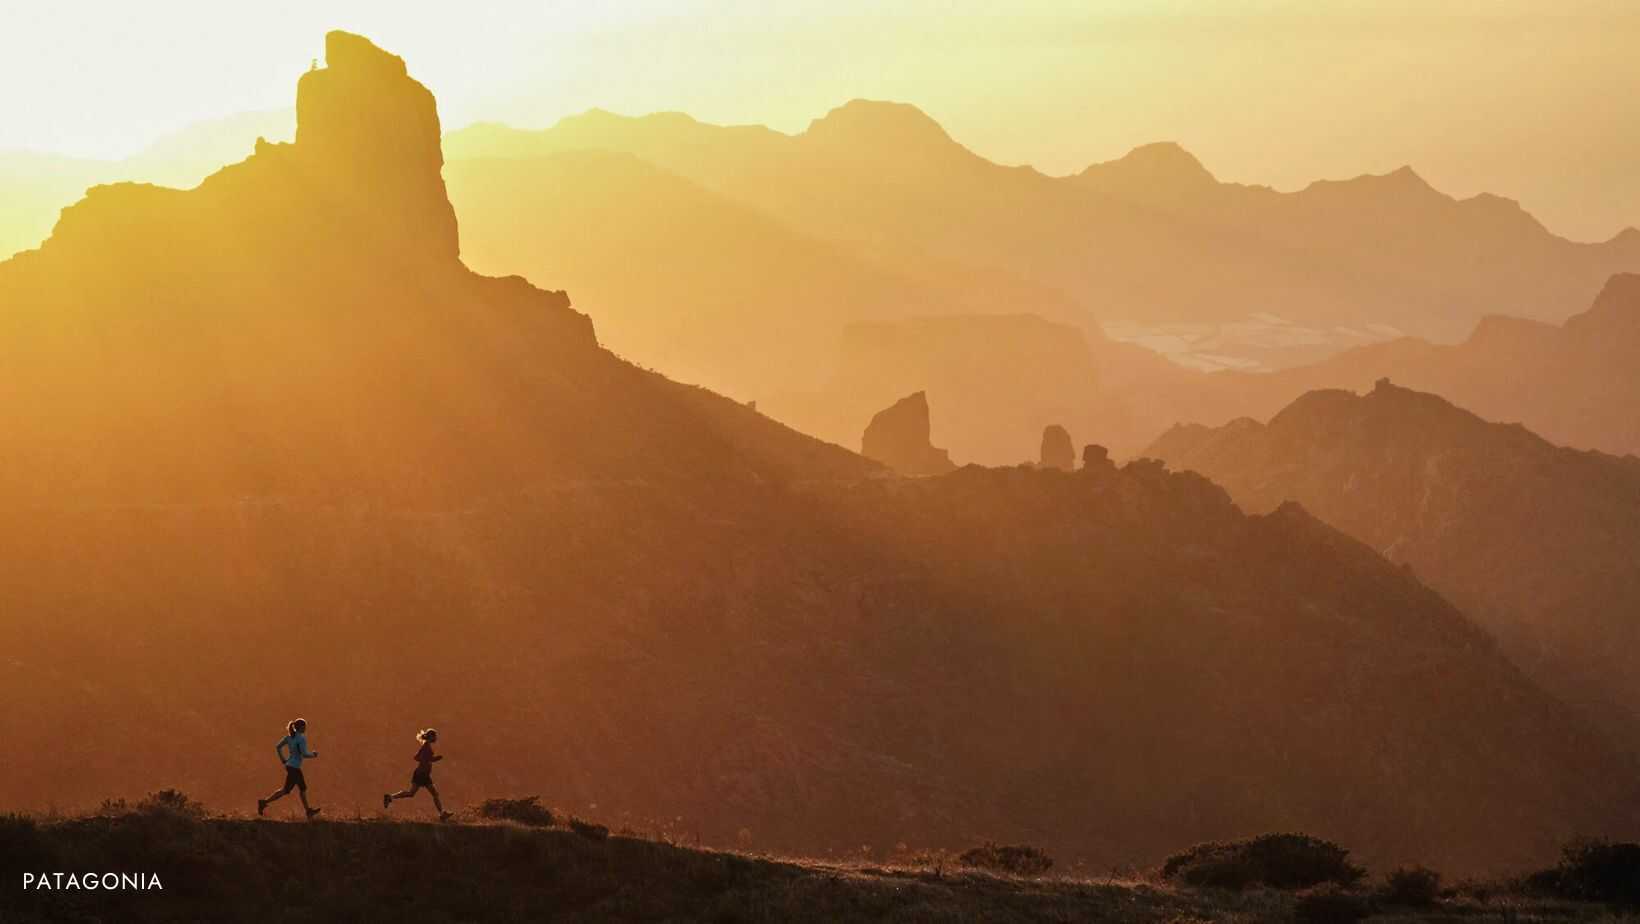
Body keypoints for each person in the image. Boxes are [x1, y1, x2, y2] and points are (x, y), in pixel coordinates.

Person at [383, 728, 452, 821]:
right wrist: (434, 759)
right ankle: (442, 814)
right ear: (430, 737)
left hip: (422, 773)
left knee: (413, 793)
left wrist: (430, 760)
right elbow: (421, 758)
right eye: (434, 736)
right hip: (422, 774)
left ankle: (390, 797)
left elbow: (419, 758)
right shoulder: (426, 746)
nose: (436, 738)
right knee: (433, 794)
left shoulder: (426, 746)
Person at [258, 718, 321, 819]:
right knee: (294, 789)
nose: (305, 728)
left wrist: (283, 759)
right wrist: (314, 755)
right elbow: (304, 754)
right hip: (294, 767)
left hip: (290, 766)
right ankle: (308, 811)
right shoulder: (301, 738)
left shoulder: (289, 737)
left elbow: (278, 747)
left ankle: (264, 802)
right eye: (304, 726)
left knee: (295, 789)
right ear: (301, 727)